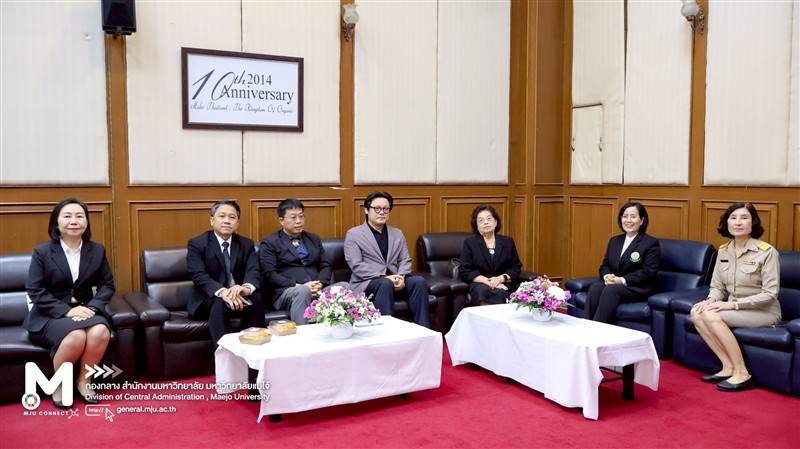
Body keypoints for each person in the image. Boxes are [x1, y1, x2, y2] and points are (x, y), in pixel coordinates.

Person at [24, 198, 114, 408]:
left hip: (86, 310)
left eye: (79, 216)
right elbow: (35, 290)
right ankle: (59, 384)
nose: (74, 221)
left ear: (86, 222)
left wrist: (92, 307)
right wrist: (66, 311)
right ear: (56, 223)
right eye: (67, 216)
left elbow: (107, 285)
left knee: (100, 331)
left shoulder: (97, 250)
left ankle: (84, 381)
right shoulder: (42, 252)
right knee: (75, 335)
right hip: (50, 314)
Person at [691, 202, 781, 392]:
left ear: (753, 222)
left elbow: (770, 294)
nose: (738, 222)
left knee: (711, 316)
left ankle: (743, 374)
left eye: (744, 218)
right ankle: (728, 367)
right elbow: (717, 286)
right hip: (734, 308)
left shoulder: (767, 252)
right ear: (727, 223)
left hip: (764, 311)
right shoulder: (723, 251)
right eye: (733, 218)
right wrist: (711, 300)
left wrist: (732, 305)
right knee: (697, 311)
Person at [343, 191, 430, 327]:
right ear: (366, 210)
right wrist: (384, 277)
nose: (382, 212)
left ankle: (423, 329)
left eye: (385, 209)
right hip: (368, 282)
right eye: (377, 209)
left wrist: (401, 276)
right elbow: (356, 265)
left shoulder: (397, 233)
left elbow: (405, 259)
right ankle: (385, 333)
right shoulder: (354, 234)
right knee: (385, 283)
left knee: (418, 281)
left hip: (396, 279)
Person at [186, 200, 265, 345]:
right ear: (212, 220)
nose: (227, 221)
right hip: (209, 298)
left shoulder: (246, 244)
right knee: (220, 302)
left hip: (239, 296)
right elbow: (199, 275)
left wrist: (246, 288)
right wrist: (223, 292)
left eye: (232, 217)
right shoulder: (197, 243)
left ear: (237, 222)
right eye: (222, 216)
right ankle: (224, 353)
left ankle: (256, 349)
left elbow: (254, 270)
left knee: (256, 297)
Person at [260, 198, 345, 324]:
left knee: (344, 286)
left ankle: (345, 332)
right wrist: (299, 286)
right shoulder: (270, 242)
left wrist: (320, 284)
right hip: (288, 291)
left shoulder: (313, 239)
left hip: (317, 289)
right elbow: (269, 274)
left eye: (301, 216)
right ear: (281, 220)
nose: (299, 221)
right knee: (303, 291)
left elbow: (325, 265)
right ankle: (303, 335)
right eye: (293, 217)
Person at [584, 202, 660, 323]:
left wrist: (621, 280)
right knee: (595, 287)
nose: (628, 220)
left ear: (641, 220)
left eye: (633, 216)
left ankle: (597, 329)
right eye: (625, 216)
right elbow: (605, 264)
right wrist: (607, 276)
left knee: (611, 290)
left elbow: (648, 272)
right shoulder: (615, 241)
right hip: (616, 284)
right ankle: (586, 325)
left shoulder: (650, 243)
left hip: (638, 287)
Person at [458, 205, 522, 305]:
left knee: (502, 292)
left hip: (503, 282)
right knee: (483, 291)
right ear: (476, 225)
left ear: (495, 222)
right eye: (481, 220)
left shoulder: (507, 242)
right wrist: (489, 282)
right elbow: (464, 270)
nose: (486, 222)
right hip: (479, 283)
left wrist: (500, 279)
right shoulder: (470, 243)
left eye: (489, 219)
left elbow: (516, 267)